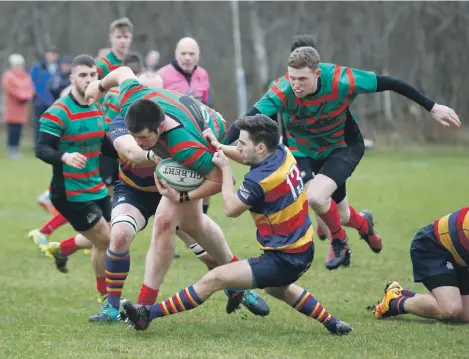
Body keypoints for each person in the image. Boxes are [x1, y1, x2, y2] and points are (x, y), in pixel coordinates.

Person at [223, 46, 461, 270]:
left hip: (342, 146)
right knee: (341, 213)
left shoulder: (342, 79)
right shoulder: (281, 90)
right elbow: (246, 120)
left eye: (302, 79)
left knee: (315, 197)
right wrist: (219, 145)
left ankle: (339, 241)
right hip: (304, 150)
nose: (295, 84)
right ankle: (364, 224)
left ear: (317, 74)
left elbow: (392, 83)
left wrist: (431, 107)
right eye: (292, 78)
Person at [121, 114, 352, 335]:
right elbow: (245, 155)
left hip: (282, 257)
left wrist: (224, 168)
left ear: (260, 147)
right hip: (302, 248)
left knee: (215, 278)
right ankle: (333, 323)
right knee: (278, 288)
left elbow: (231, 209)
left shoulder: (259, 181)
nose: (238, 148)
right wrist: (219, 146)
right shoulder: (281, 151)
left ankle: (147, 314)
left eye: (242, 143)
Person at [84, 66, 270, 319]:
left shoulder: (185, 147)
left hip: (180, 178)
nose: (155, 99)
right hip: (135, 189)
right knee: (120, 234)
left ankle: (145, 308)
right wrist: (100, 86)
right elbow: (131, 152)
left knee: (184, 229)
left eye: (160, 93)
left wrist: (183, 195)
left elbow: (218, 180)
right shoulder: (130, 113)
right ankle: (112, 307)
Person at [35, 54, 116, 314]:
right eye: (83, 75)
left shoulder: (96, 106)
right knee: (107, 240)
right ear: (72, 79)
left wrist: (130, 154)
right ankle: (107, 299)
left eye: (93, 75)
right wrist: (64, 156)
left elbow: (104, 144)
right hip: (69, 192)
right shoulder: (58, 112)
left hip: (96, 187)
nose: (89, 80)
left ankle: (62, 249)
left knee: (107, 240)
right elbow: (41, 149)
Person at [371, 208, 469, 322]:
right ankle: (394, 301)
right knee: (450, 309)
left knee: (465, 315)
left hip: (458, 255)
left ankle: (402, 293)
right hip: (432, 246)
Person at [157, 37, 213, 219]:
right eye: (184, 53)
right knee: (178, 181)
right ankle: (176, 223)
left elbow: (206, 106)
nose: (188, 57)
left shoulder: (203, 74)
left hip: (198, 137)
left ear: (198, 56)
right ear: (176, 54)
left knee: (207, 179)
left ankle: (200, 220)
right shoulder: (162, 75)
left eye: (192, 53)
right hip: (172, 138)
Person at [96, 17, 134, 197]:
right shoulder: (102, 64)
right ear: (111, 38)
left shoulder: (131, 63)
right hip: (104, 127)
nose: (123, 41)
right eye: (119, 37)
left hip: (124, 127)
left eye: (126, 37)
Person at [1, 53, 35, 159]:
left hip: (22, 107)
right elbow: (9, 89)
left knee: (19, 129)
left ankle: (16, 147)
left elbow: (30, 88)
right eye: (17, 65)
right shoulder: (8, 76)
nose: (19, 67)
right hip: (12, 106)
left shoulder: (26, 76)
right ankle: (11, 148)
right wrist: (20, 95)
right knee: (13, 129)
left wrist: (28, 96)